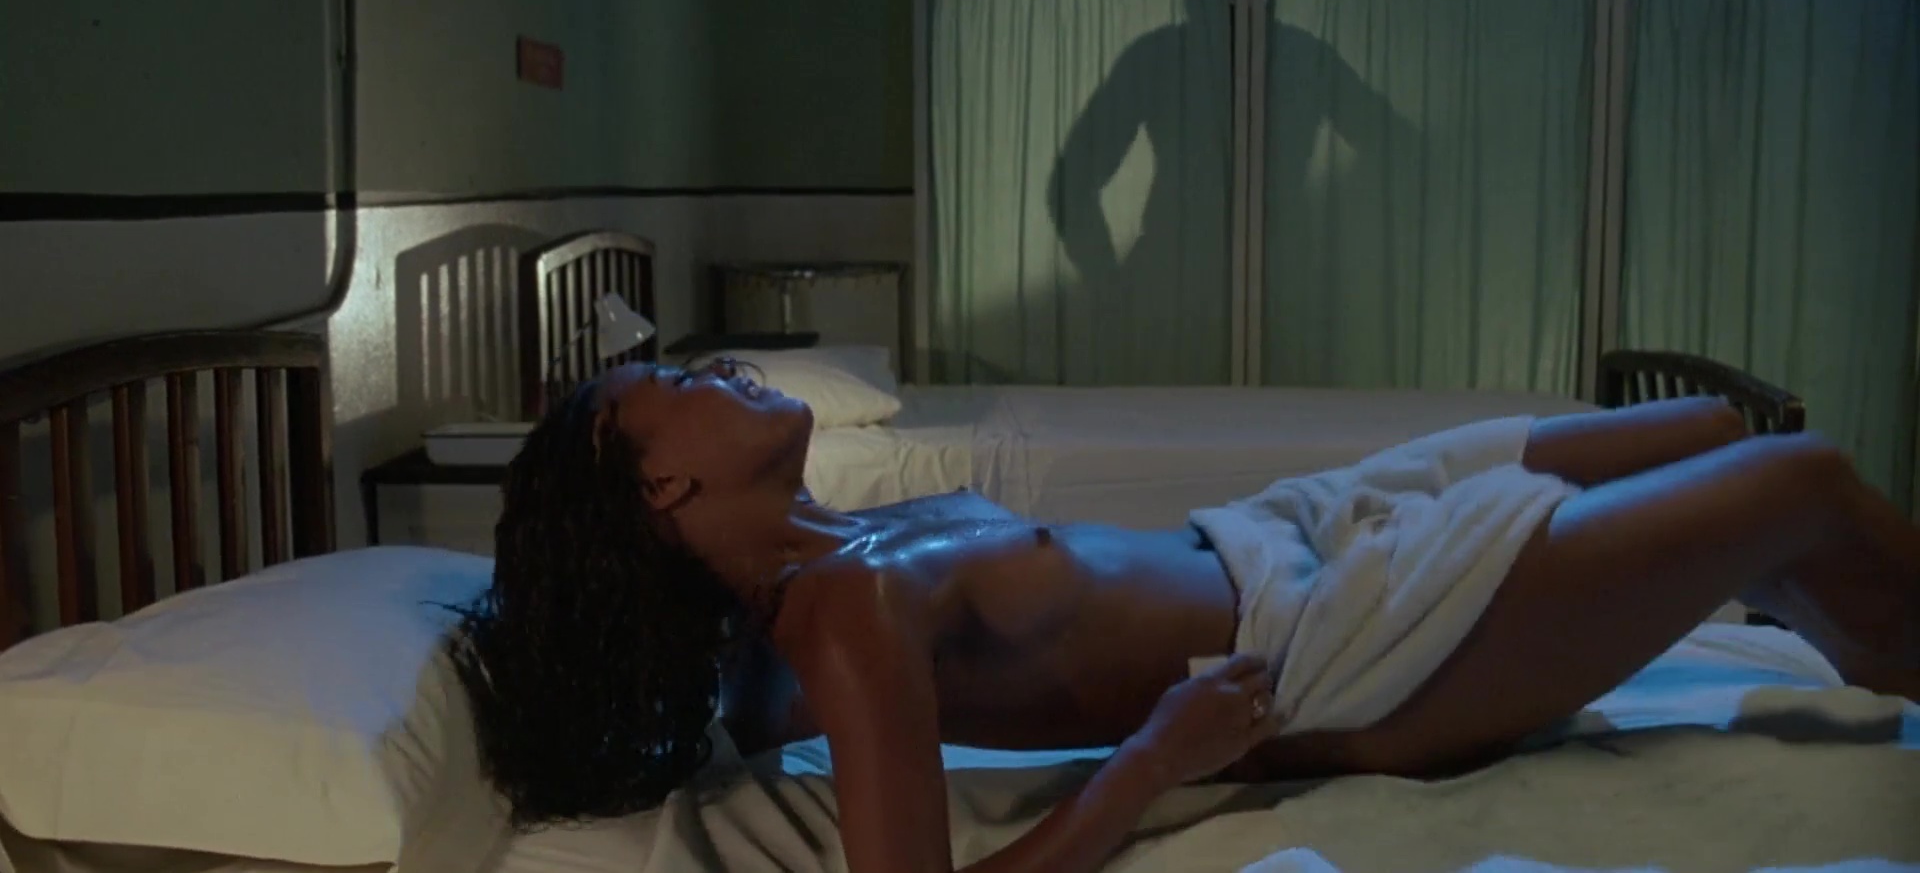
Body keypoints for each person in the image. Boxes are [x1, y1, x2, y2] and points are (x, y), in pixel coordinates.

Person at [451, 358, 1920, 873]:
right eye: (683, 385)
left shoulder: (827, 564)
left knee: (1704, 428)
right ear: (660, 488)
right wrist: (1157, 759)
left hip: (1297, 526)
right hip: (1346, 643)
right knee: (1796, 484)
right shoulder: (830, 618)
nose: (721, 370)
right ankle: (1876, 640)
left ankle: (1854, 629)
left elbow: (704, 704)